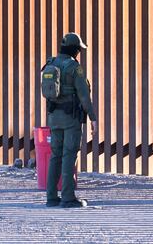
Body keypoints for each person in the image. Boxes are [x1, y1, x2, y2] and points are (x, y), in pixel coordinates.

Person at [44, 32, 98, 208]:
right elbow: (84, 95)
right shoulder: (74, 67)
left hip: (54, 118)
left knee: (55, 156)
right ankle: (68, 197)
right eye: (79, 50)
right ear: (75, 50)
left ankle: (51, 197)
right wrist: (93, 117)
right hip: (71, 119)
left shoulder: (51, 63)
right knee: (69, 155)